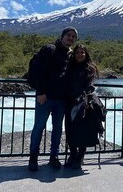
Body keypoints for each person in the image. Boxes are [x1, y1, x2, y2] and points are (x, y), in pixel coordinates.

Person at [28, 27, 78, 171]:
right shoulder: (49, 49)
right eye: (68, 35)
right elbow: (39, 71)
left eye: (73, 37)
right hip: (46, 97)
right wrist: (41, 92)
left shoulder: (70, 55)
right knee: (39, 127)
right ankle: (33, 158)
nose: (71, 38)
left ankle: (54, 157)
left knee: (57, 129)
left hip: (61, 100)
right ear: (62, 36)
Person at [64, 44, 100, 170]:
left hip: (83, 104)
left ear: (86, 54)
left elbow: (89, 86)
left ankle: (80, 156)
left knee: (82, 130)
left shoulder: (89, 69)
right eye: (77, 52)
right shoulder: (70, 67)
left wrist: (86, 100)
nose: (80, 54)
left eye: (82, 52)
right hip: (69, 103)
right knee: (69, 129)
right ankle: (73, 154)